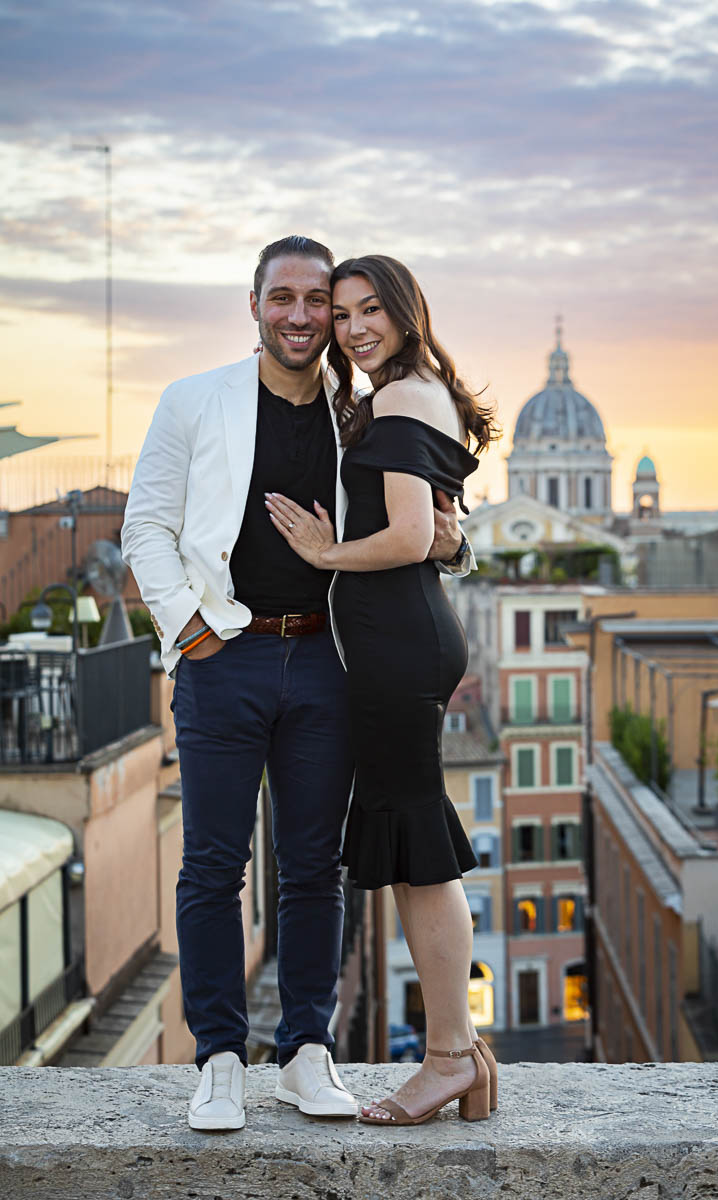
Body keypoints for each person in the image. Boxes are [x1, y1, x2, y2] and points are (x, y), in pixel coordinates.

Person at [120, 236, 471, 1131]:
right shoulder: (195, 400)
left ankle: (307, 1053)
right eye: (289, 299)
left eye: (324, 301)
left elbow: (434, 519)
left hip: (328, 659)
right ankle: (220, 1060)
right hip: (224, 656)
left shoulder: (359, 409)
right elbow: (147, 528)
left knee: (317, 866)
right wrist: (189, 631)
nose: (308, 317)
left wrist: (453, 541)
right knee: (212, 864)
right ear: (255, 305)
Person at [265, 254, 500, 1126]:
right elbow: (440, 535)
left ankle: (446, 1059)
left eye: (373, 311)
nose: (356, 327)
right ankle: (465, 1058)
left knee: (418, 857)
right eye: (346, 313)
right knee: (413, 849)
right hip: (407, 637)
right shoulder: (411, 389)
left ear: (407, 313)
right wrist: (439, 545)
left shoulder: (400, 397)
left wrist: (326, 555)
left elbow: (406, 534)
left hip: (398, 644)